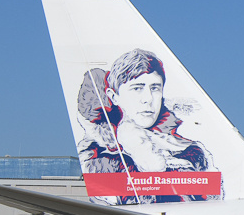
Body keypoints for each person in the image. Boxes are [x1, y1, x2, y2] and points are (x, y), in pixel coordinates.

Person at [75, 49, 212, 203]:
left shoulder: (189, 150)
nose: (148, 99)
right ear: (113, 97)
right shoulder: (101, 159)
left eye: (155, 88)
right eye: (137, 88)